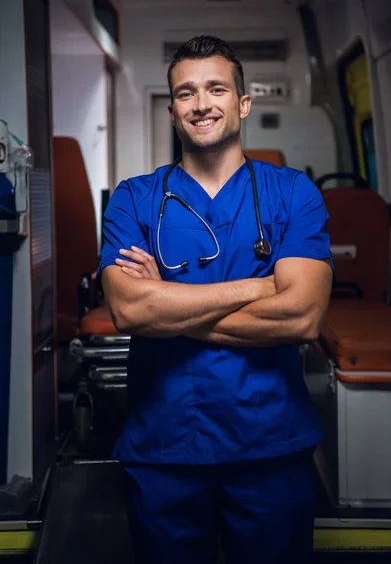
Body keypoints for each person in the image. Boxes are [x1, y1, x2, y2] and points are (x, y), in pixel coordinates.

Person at [100, 35, 333, 564]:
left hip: (270, 447)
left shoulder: (293, 193)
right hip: (164, 447)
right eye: (185, 93)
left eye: (216, 89)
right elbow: (128, 311)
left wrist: (168, 302)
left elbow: (303, 314)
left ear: (243, 103)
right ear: (173, 109)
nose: (201, 104)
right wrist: (261, 285)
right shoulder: (134, 199)